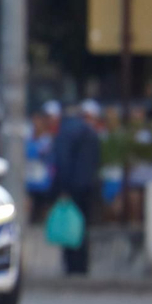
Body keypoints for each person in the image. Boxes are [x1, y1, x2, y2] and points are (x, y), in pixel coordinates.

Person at [51, 100, 102, 275]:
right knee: (83, 227)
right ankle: (82, 265)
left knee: (69, 226)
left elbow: (62, 161)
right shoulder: (90, 132)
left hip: (72, 187)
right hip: (89, 185)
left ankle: (72, 266)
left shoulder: (65, 132)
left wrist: (62, 188)